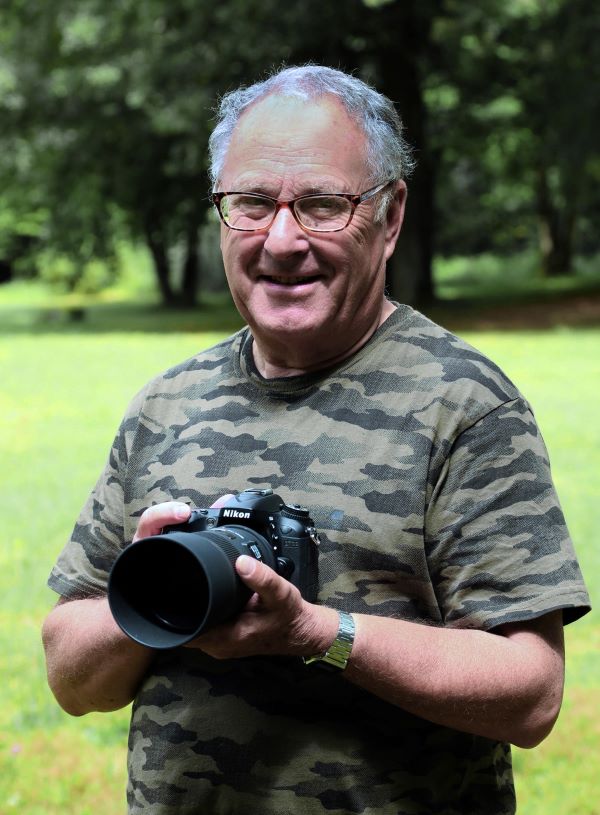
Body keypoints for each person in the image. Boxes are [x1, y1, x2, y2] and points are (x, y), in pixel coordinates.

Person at [42, 65, 590, 815]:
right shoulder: (165, 405)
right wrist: (155, 598)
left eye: (323, 205)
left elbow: (530, 694)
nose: (282, 238)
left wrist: (315, 631)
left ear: (390, 216)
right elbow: (72, 679)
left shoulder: (464, 405)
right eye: (252, 203)